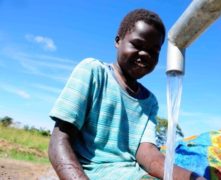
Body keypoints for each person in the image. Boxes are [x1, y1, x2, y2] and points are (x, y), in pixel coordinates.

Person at [48, 8, 204, 180]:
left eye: (154, 51)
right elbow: (59, 141)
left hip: (131, 174)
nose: (145, 54)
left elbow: (148, 154)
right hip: (88, 172)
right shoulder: (93, 72)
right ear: (118, 40)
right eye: (137, 45)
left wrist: (194, 178)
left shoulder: (150, 101)